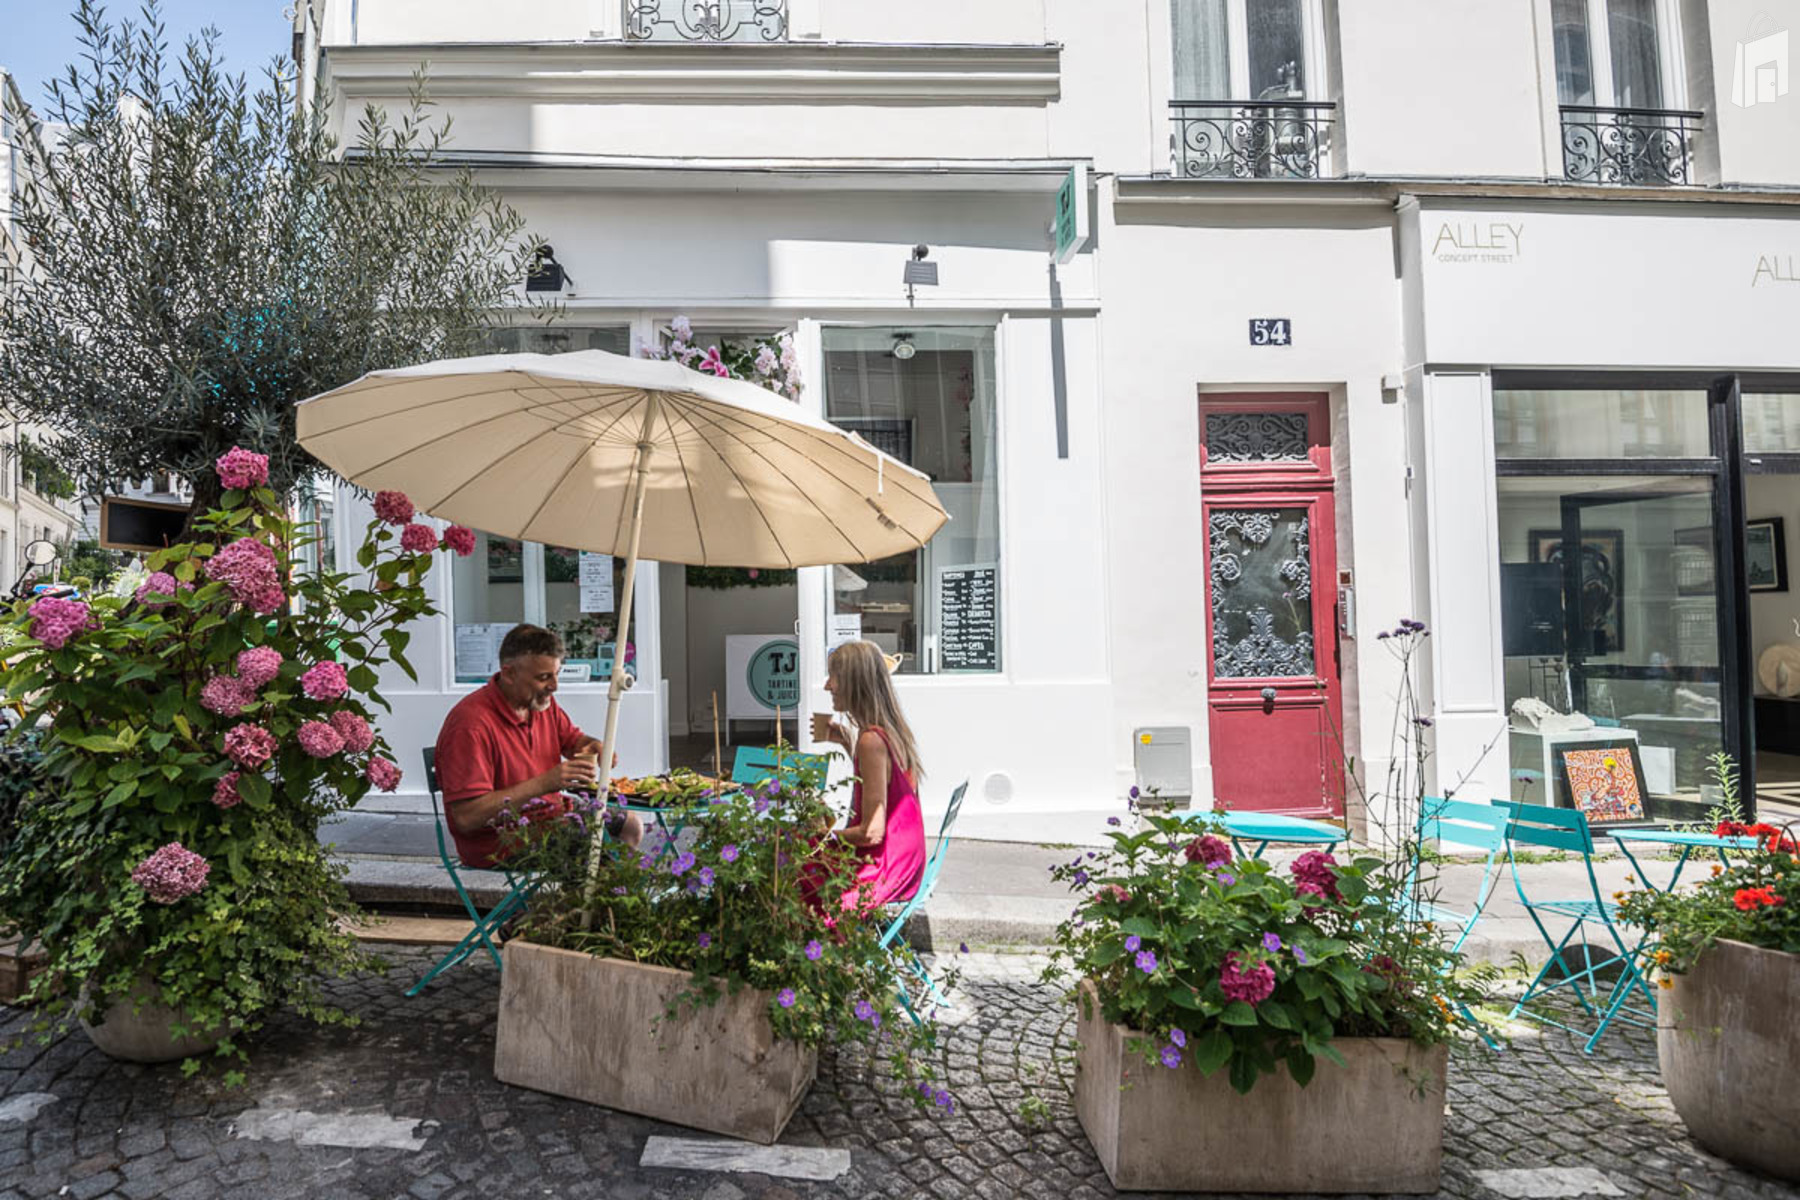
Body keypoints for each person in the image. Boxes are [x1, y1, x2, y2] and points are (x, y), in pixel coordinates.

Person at [434, 624, 642, 868]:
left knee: (630, 825)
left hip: (551, 820)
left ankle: (608, 899)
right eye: (543, 678)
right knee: (597, 856)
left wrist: (591, 745)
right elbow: (466, 817)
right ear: (509, 674)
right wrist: (545, 782)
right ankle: (600, 902)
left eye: (557, 674)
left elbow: (573, 741)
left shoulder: (541, 704)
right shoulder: (470, 725)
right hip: (502, 842)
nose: (554, 686)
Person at [817, 639, 926, 911]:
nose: (827, 686)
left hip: (885, 869)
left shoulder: (871, 741)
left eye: (834, 677)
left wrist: (825, 836)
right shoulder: (887, 732)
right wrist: (846, 741)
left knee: (796, 872)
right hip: (906, 860)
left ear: (855, 683)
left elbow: (871, 833)